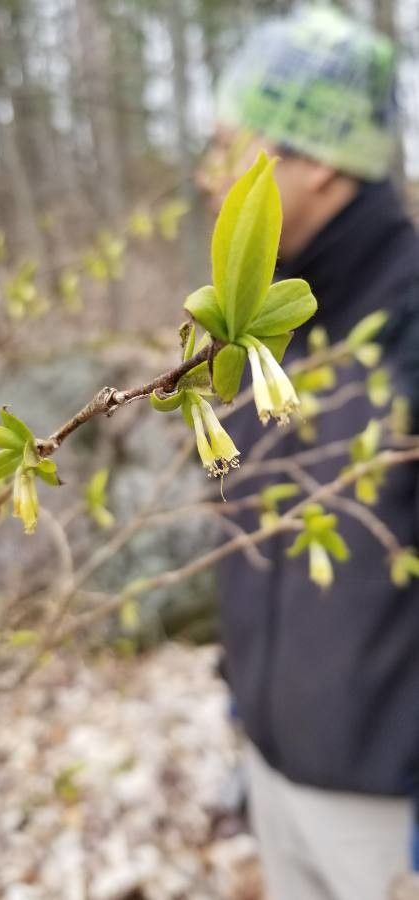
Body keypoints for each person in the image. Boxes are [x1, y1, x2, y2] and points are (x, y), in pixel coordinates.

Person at [202, 6, 419, 900]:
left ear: (316, 158)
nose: (209, 176)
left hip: (387, 812)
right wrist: (246, 713)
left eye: (233, 147)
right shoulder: (271, 323)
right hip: (278, 767)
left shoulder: (406, 327)